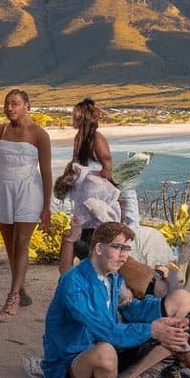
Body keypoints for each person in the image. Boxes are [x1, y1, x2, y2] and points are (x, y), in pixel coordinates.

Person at [41, 222, 190, 378]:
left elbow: (130, 310)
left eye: (126, 249)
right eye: (117, 247)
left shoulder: (112, 277)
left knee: (182, 301)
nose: (123, 255)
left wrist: (165, 312)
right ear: (99, 248)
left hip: (111, 342)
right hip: (73, 359)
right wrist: (153, 329)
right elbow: (103, 330)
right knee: (105, 354)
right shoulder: (74, 282)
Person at [0, 88, 52, 322]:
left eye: (14, 103)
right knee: (10, 245)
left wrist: (47, 208)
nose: (9, 108)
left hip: (29, 190)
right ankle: (21, 289)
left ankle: (12, 297)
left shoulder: (39, 134)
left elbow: (46, 173)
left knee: (22, 242)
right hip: (4, 189)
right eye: (7, 104)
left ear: (27, 105)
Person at [57, 99, 137, 273]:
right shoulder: (94, 136)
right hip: (96, 189)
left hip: (86, 190)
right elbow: (106, 160)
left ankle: (70, 275)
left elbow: (80, 161)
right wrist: (110, 180)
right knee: (98, 229)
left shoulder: (82, 137)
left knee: (85, 230)